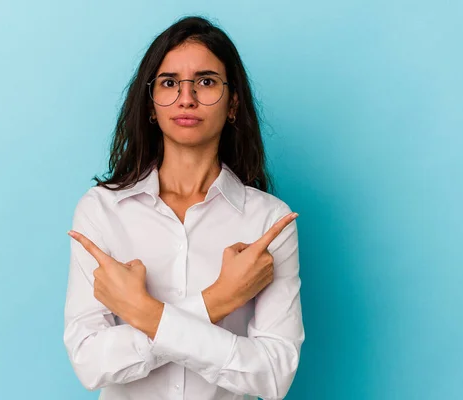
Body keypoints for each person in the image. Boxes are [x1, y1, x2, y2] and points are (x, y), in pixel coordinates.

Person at [63, 15, 304, 400]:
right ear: (150, 104)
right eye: (170, 83)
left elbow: (273, 376)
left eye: (206, 82)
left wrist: (145, 314)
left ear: (232, 103)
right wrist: (217, 301)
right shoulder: (102, 211)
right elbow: (90, 363)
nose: (186, 97)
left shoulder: (270, 221)